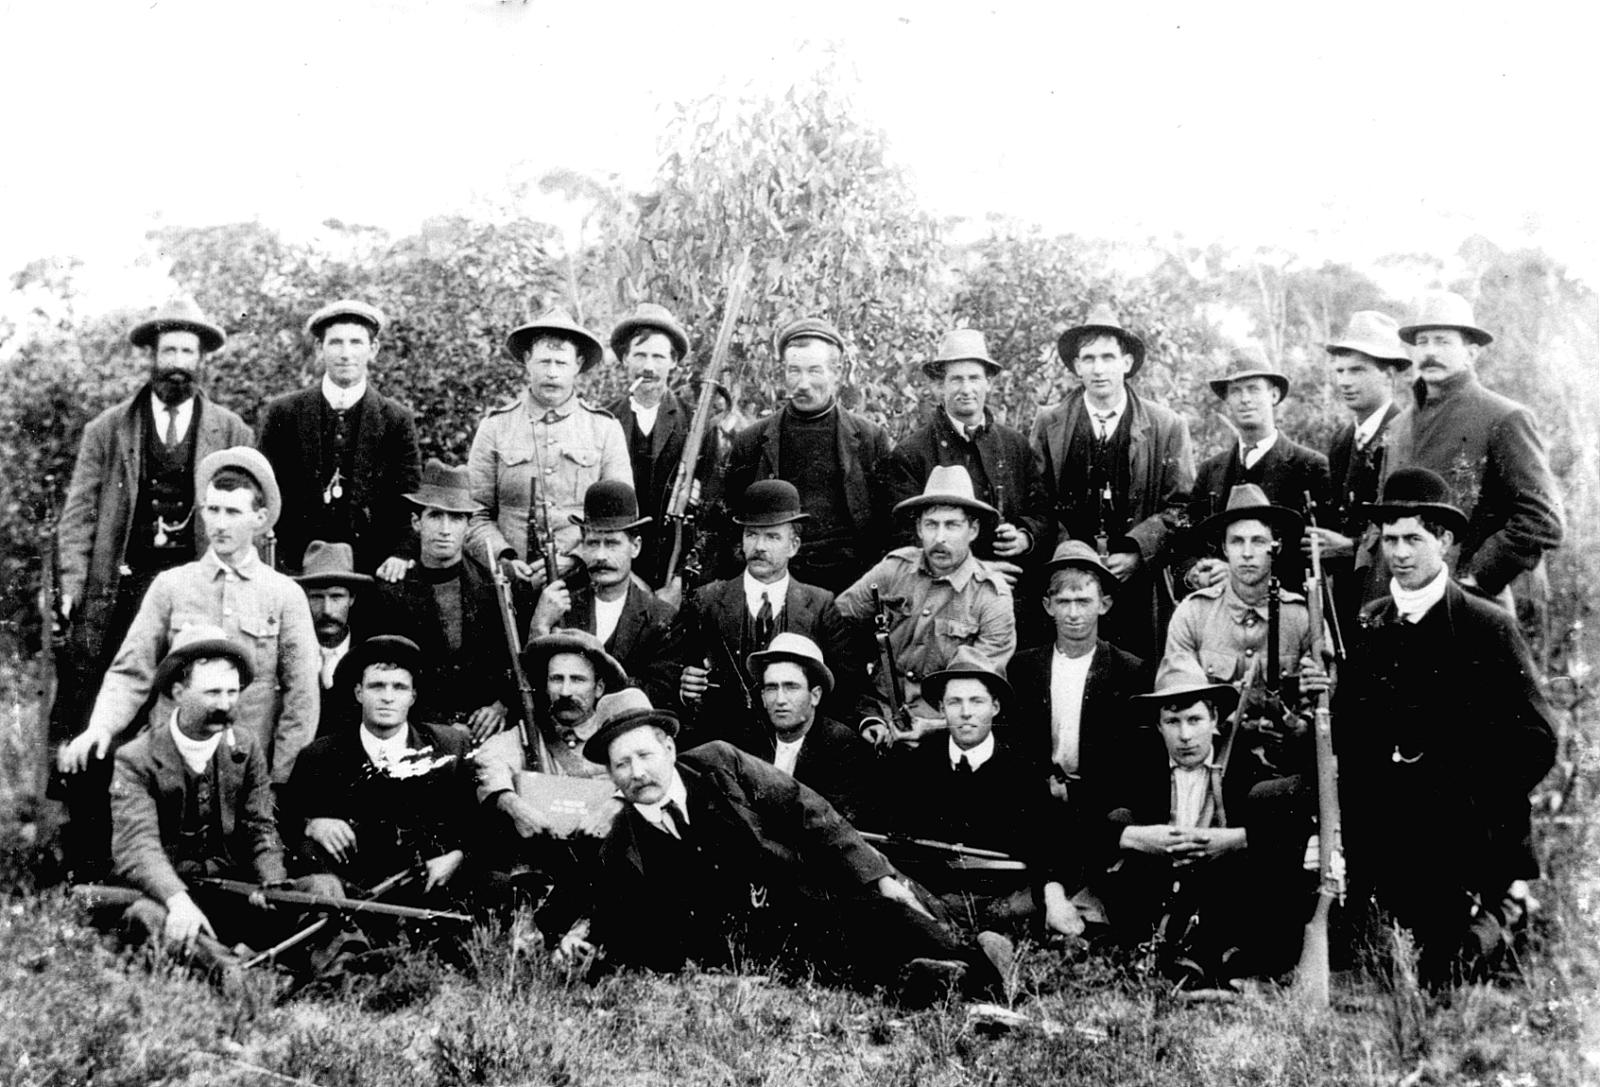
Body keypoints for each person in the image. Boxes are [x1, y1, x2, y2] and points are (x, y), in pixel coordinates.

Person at [555, 698, 1015, 1005]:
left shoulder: (720, 764)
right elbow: (618, 915)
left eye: (644, 755)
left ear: (669, 748)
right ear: (612, 777)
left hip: (802, 897)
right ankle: (937, 980)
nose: (637, 772)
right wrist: (584, 942)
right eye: (622, 765)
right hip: (750, 950)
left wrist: (877, 876)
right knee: (842, 974)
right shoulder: (622, 844)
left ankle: (978, 961)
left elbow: (807, 810)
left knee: (884, 915)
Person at [51, 296, 253, 876]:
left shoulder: (229, 430)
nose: (178, 363)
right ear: (151, 357)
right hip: (117, 588)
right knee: (99, 701)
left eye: (188, 352)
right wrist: (71, 583)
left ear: (202, 361)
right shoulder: (109, 429)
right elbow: (80, 512)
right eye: (169, 351)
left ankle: (176, 841)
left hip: (191, 589)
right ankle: (88, 840)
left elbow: (245, 518)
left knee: (186, 699)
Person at [1332, 467, 1556, 985]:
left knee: (1443, 972)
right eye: (1390, 540)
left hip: (1465, 827)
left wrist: (1472, 792)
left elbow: (1538, 740)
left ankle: (1505, 907)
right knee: (1374, 957)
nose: (1400, 553)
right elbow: (1353, 730)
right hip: (1390, 825)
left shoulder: (1486, 625)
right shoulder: (1371, 621)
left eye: (1414, 538)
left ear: (1447, 542)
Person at [58, 448, 319, 789]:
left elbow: (302, 698)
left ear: (260, 517)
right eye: (213, 510)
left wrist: (280, 779)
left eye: (233, 512)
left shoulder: (285, 595)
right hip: (171, 766)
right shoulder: (171, 586)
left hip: (245, 770)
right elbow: (131, 670)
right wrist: (101, 726)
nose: (220, 524)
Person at [107, 625, 335, 969]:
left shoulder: (245, 747)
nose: (226, 705)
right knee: (147, 916)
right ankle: (236, 972)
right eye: (213, 693)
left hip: (233, 891)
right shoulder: (135, 759)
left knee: (324, 887)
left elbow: (261, 826)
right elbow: (137, 847)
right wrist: (177, 900)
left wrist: (270, 883)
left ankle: (331, 970)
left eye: (232, 692)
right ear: (178, 691)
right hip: (169, 893)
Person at [1089, 677, 1306, 985]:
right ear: (1159, 725)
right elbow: (1084, 821)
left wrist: (1233, 840)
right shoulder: (1134, 763)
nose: (1185, 735)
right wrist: (1140, 838)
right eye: (1173, 722)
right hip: (1153, 891)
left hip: (1221, 897)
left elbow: (1290, 830)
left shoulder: (1244, 764)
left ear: (1215, 719)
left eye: (1194, 720)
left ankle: (1217, 959)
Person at [1030, 306, 1195, 659]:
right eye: (1088, 358)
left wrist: (1138, 552)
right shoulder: (1049, 423)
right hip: (1069, 587)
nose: (1098, 368)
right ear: (1076, 367)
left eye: (1108, 356)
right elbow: (1038, 502)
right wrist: (1069, 556)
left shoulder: (1166, 426)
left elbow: (1181, 507)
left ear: (1127, 362)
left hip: (1137, 586)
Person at [1384, 290, 1564, 613]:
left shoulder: (1503, 417)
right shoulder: (1398, 427)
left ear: (1472, 352)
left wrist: (1477, 576)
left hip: (1471, 608)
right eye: (1422, 342)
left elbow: (1542, 518)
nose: (1430, 352)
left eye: (1443, 341)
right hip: (1403, 602)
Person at [885, 653, 1075, 939]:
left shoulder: (1023, 768)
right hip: (933, 899)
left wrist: (1053, 895)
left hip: (1002, 902)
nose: (965, 712)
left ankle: (975, 951)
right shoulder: (915, 764)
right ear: (941, 708)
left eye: (977, 701)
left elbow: (1049, 846)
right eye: (954, 702)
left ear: (995, 707)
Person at [671, 480, 871, 741]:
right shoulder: (706, 602)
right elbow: (674, 675)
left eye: (772, 536)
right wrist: (685, 690)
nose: (759, 547)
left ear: (794, 546)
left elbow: (846, 691)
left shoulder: (820, 606)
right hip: (724, 748)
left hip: (797, 751)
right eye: (751, 534)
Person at [1005, 541, 1149, 903]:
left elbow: (1128, 755)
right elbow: (1019, 742)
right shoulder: (1024, 667)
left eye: (1083, 601)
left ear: (1104, 604)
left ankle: (1083, 896)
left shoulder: (1127, 669)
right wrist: (1046, 782)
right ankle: (1049, 896)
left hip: (1098, 795)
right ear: (1047, 606)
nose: (1073, 613)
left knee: (1113, 823)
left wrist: (1081, 791)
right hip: (1041, 791)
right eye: (1064, 602)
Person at [282, 636, 474, 901]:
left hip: (431, 885)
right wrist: (312, 824)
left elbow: (479, 825)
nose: (387, 697)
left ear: (413, 696)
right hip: (353, 890)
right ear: (359, 693)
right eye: (376, 686)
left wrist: (456, 856)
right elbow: (285, 820)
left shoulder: (449, 748)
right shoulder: (320, 755)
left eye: (399, 687)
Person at [836, 466, 1016, 741]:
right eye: (931, 525)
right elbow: (836, 621)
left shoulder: (991, 596)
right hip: (877, 718)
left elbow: (978, 693)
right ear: (919, 528)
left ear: (973, 530)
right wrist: (866, 712)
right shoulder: (894, 571)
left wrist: (930, 728)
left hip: (943, 730)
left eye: (952, 525)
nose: (940, 537)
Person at [723, 316, 893, 593]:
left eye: (815, 371)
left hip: (850, 584)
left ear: (836, 373)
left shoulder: (870, 439)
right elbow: (729, 527)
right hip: (777, 584)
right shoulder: (752, 442)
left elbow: (888, 530)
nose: (802, 383)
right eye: (794, 371)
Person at [466, 308, 631, 592]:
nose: (552, 373)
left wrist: (576, 558)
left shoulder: (604, 429)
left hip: (581, 582)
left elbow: (619, 519)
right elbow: (474, 512)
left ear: (577, 364)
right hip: (506, 584)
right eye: (544, 362)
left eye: (561, 363)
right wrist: (503, 558)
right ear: (527, 361)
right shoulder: (495, 426)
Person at [257, 300, 422, 575]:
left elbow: (408, 498)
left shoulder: (396, 419)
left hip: (372, 567)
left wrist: (401, 553)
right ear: (320, 349)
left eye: (356, 342)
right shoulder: (284, 413)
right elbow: (264, 493)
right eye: (335, 343)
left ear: (373, 350)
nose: (346, 354)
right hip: (295, 564)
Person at [1159, 485, 1318, 766]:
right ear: (1223, 548)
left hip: (1282, 768)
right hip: (1215, 764)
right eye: (1236, 541)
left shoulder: (1303, 617)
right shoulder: (1193, 613)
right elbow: (1178, 703)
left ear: (1275, 546)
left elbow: (1316, 709)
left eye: (1258, 541)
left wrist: (1296, 725)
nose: (1247, 553)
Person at [366, 459, 518, 742]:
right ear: (416, 522)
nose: (446, 529)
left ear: (468, 525)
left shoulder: (494, 586)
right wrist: (440, 727)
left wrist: (500, 706)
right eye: (436, 515)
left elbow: (514, 661)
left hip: (486, 731)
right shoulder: (391, 592)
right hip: (417, 733)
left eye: (456, 517)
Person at [884, 328, 1049, 585]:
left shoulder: (1014, 444)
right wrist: (975, 571)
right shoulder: (911, 453)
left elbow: (1043, 511)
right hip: (944, 592)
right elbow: (906, 538)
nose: (966, 389)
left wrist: (1025, 536)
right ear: (940, 386)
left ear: (989, 383)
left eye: (974, 378)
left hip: (1013, 589)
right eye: (956, 379)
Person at [1186, 345, 1331, 593]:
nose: (1245, 399)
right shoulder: (1210, 471)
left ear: (1274, 395)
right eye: (1235, 391)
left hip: (1284, 609)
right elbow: (1188, 545)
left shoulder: (1310, 466)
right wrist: (1196, 572)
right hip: (1221, 611)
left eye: (1253, 389)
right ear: (1226, 401)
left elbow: (1317, 554)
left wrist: (1237, 573)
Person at [1305, 311, 1411, 629]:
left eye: (1357, 370)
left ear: (1388, 374)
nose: (1345, 381)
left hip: (1392, 593)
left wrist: (1349, 547)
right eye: (1340, 371)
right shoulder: (1343, 440)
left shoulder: (1406, 435)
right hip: (1348, 597)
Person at [528, 480, 677, 707]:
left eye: (612, 544)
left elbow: (658, 695)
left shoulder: (661, 617)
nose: (600, 555)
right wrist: (539, 627)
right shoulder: (559, 607)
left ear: (635, 547)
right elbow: (533, 688)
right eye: (592, 543)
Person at [604, 302, 717, 587]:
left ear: (674, 361)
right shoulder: (604, 420)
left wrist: (681, 578)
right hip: (615, 570)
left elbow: (709, 514)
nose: (649, 367)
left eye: (658, 356)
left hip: (672, 572)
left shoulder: (696, 423)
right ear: (625, 359)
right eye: (639, 355)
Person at [474, 631, 630, 837]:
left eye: (577, 680)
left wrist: (615, 806)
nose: (565, 691)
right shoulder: (529, 733)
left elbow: (655, 772)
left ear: (599, 688)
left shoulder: (616, 736)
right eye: (557, 679)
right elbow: (488, 759)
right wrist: (510, 802)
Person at [735, 633, 877, 825]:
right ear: (762, 697)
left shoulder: (840, 746)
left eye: (791, 687)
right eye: (771, 688)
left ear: (815, 696)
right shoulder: (750, 739)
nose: (780, 700)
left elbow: (834, 826)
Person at [294, 540, 373, 739]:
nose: (327, 610)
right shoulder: (291, 654)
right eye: (317, 597)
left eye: (336, 597)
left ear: (352, 598)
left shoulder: (368, 653)